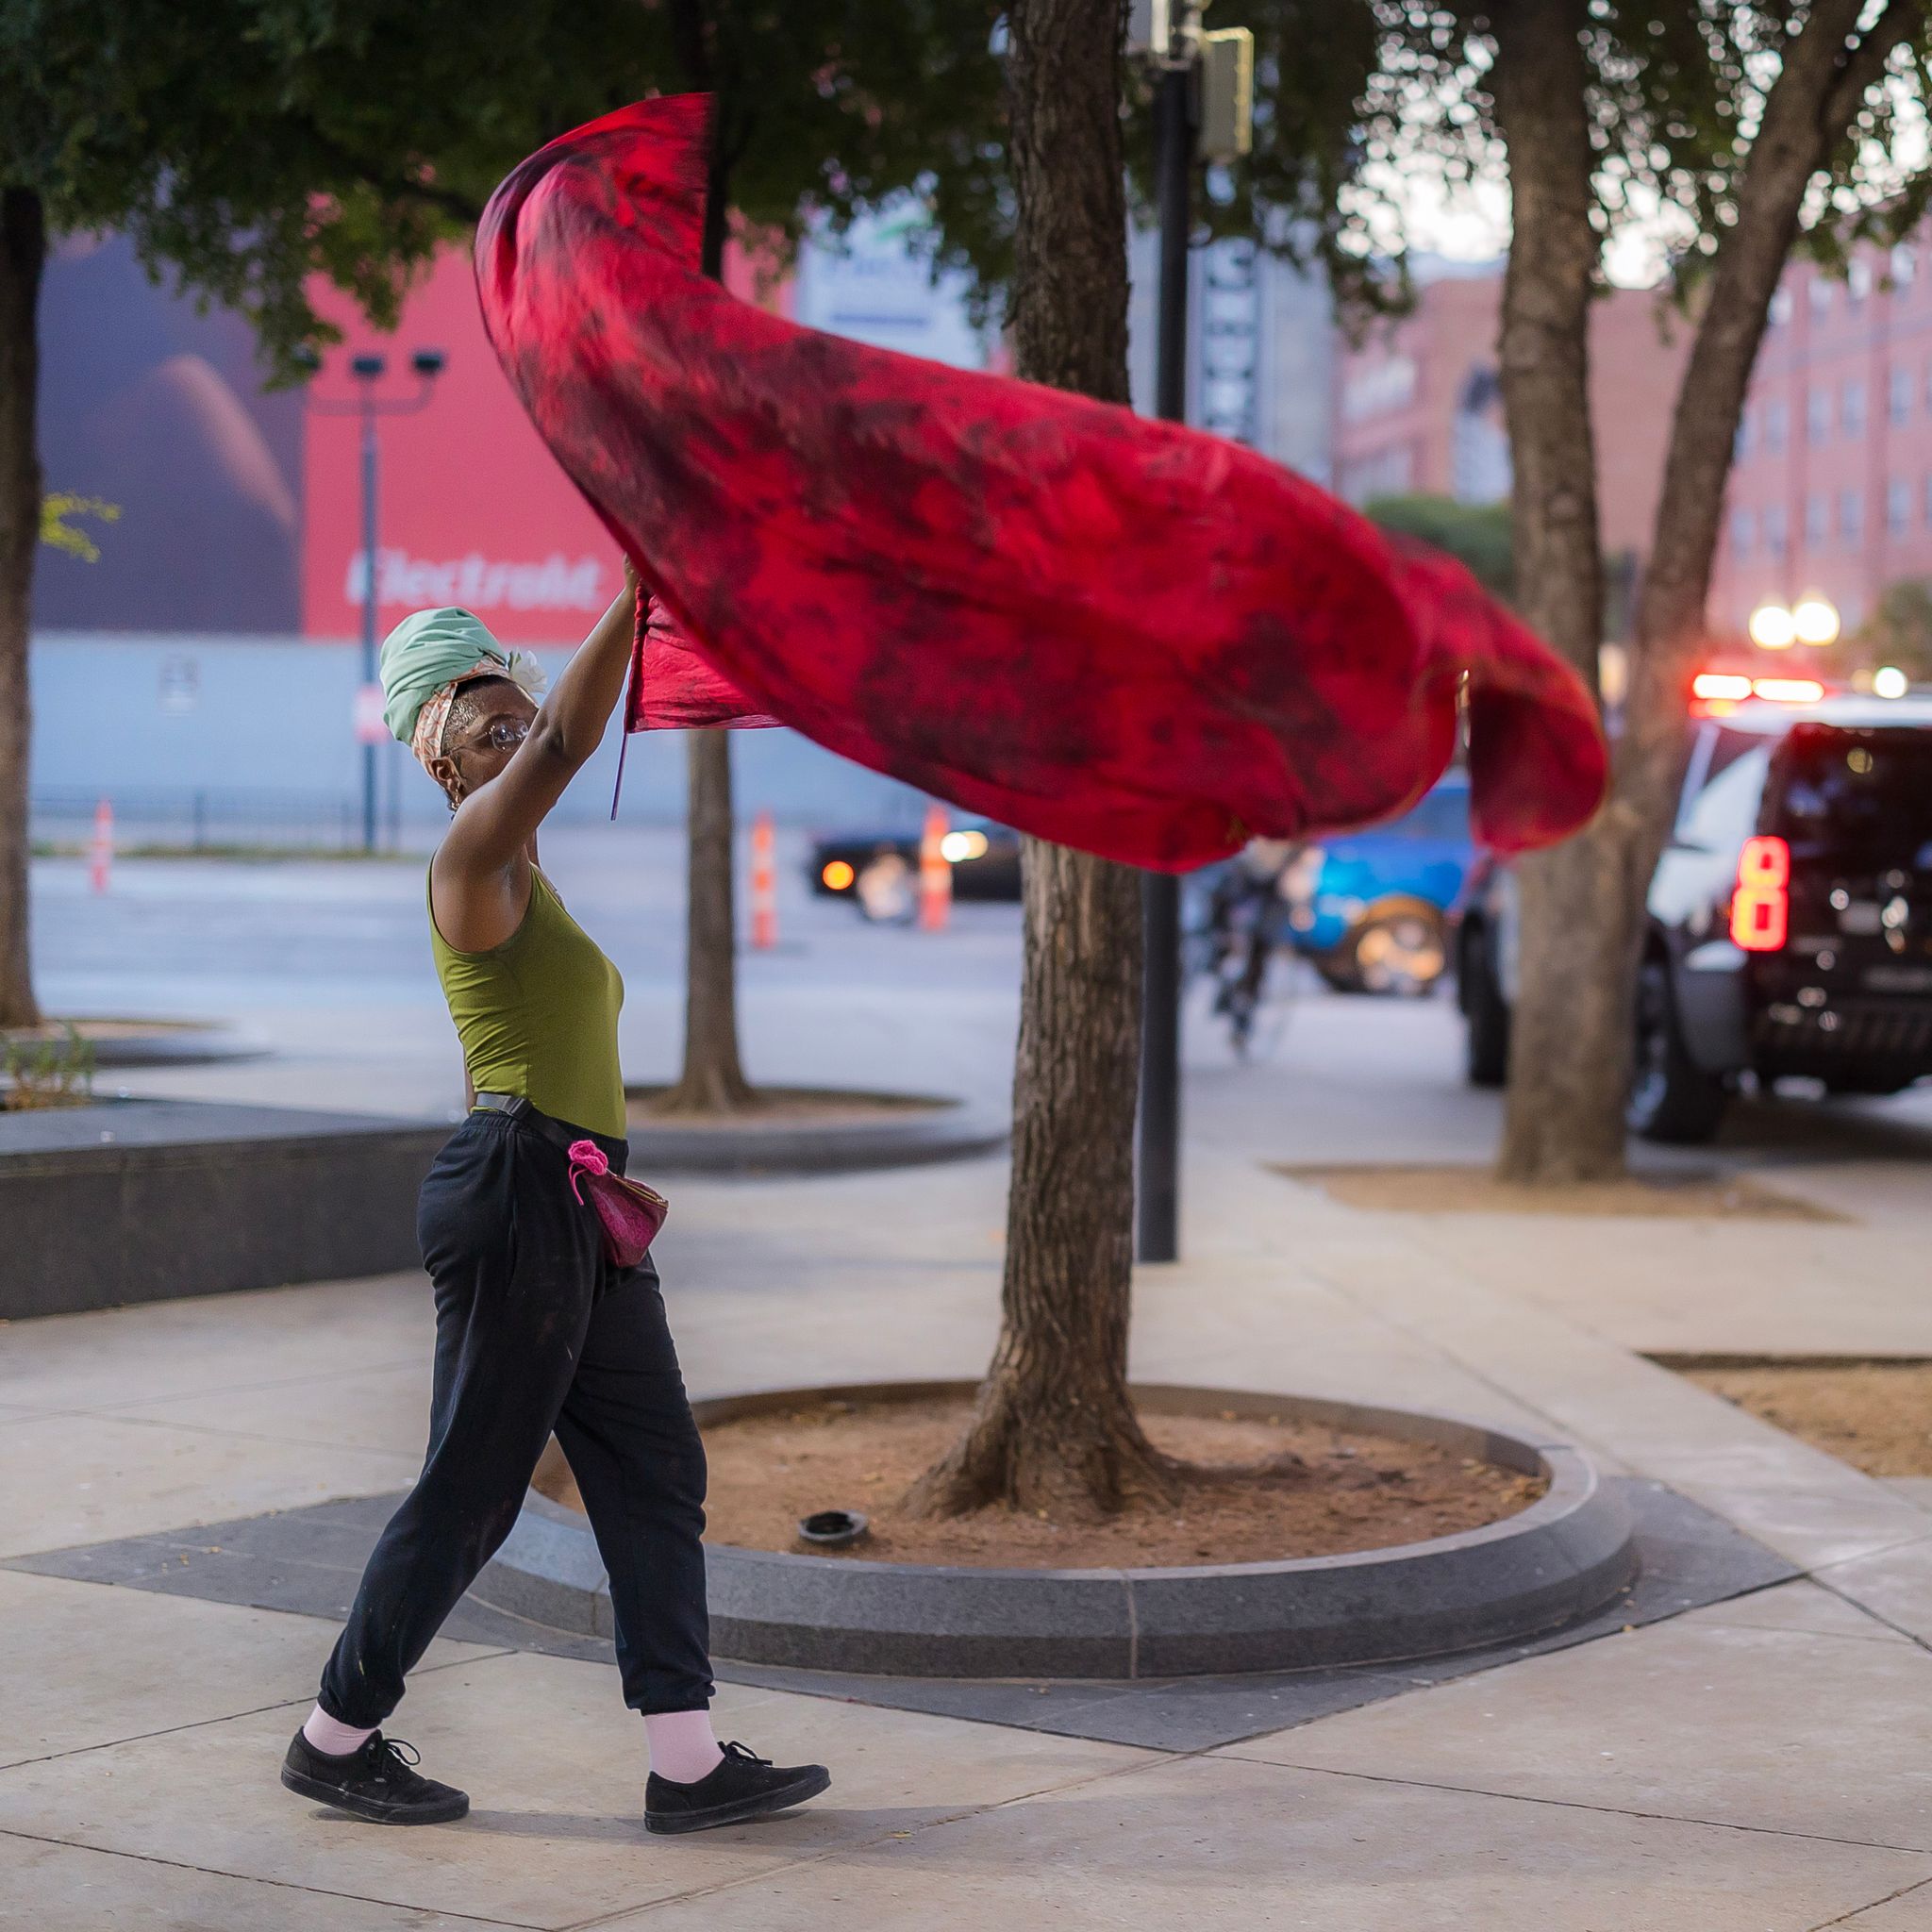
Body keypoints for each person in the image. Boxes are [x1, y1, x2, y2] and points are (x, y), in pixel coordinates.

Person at [279, 567, 829, 1835]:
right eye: (485, 723)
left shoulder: (528, 879)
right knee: (472, 1488)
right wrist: (641, 591)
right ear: (447, 762)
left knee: (653, 1464)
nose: (515, 729)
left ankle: (685, 1762)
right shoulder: (472, 855)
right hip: (523, 1190)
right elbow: (584, 733)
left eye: (515, 706)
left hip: (571, 1200)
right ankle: (333, 1734)